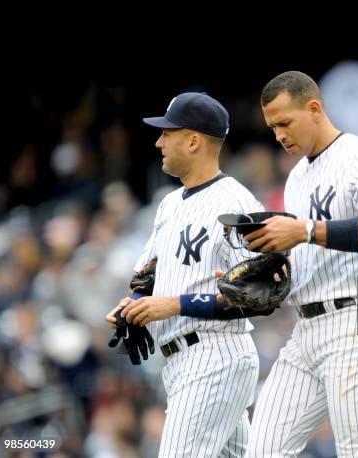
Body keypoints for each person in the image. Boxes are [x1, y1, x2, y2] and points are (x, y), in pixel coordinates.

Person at [244, 71, 358, 457]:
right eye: (272, 127)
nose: (279, 135)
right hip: (308, 329)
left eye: (285, 122)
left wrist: (303, 231)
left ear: (314, 108)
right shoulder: (297, 177)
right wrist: (266, 274)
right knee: (261, 450)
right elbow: (309, 249)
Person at [105, 92, 266, 457]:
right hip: (183, 362)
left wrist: (171, 305)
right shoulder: (169, 203)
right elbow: (147, 275)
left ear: (193, 141)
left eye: (168, 133)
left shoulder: (235, 203)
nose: (159, 141)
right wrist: (131, 306)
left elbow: (257, 294)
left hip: (214, 355)